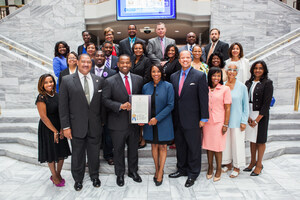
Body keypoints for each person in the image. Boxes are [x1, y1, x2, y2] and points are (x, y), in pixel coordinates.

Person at [59, 54, 105, 191]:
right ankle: (78, 179)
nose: (86, 64)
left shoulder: (99, 80)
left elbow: (102, 104)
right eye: (83, 62)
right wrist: (65, 126)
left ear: (91, 64)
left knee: (94, 153)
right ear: (77, 62)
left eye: (88, 62)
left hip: (95, 126)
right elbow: (63, 106)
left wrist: (102, 122)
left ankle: (94, 176)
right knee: (78, 155)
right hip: (75, 126)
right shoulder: (67, 80)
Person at [169, 50, 209, 187]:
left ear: (191, 59)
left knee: (193, 148)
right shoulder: (173, 76)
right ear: (179, 60)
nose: (185, 60)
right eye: (182, 58)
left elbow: (204, 99)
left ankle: (193, 173)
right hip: (177, 118)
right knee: (180, 146)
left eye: (187, 57)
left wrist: (204, 118)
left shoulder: (199, 76)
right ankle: (182, 169)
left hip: (193, 119)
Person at [103, 55, 144, 187]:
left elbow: (142, 99)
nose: (125, 65)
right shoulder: (109, 81)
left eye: (127, 63)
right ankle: (120, 174)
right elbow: (105, 100)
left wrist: (143, 116)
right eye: (122, 63)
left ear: (131, 64)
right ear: (118, 64)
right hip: (117, 122)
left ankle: (133, 172)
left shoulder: (139, 79)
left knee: (133, 149)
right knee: (119, 150)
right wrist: (120, 106)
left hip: (134, 122)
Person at [141, 65, 175, 186]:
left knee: (163, 147)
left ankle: (160, 172)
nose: (156, 74)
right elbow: (142, 104)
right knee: (154, 146)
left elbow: (171, 105)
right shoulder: (145, 87)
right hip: (150, 123)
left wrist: (157, 118)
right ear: (150, 73)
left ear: (162, 73)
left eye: (158, 71)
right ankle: (156, 168)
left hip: (163, 121)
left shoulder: (168, 86)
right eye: (153, 71)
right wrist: (142, 118)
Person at [36, 74, 71, 187]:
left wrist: (61, 128)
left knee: (61, 152)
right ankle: (54, 176)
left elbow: (63, 112)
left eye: (51, 81)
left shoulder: (58, 95)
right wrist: (54, 131)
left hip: (59, 126)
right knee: (51, 153)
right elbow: (44, 117)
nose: (49, 84)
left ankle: (58, 173)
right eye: (46, 82)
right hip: (48, 128)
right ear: (42, 84)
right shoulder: (41, 97)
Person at [243, 60, 273, 176]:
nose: (258, 70)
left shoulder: (267, 83)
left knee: (260, 140)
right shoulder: (248, 82)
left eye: (260, 68)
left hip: (261, 115)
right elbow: (245, 100)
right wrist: (248, 117)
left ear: (264, 70)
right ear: (252, 70)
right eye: (255, 68)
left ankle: (259, 164)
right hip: (249, 113)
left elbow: (266, 103)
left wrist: (257, 120)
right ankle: (252, 162)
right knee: (252, 139)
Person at [202, 67, 231, 182]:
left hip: (219, 122)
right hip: (207, 122)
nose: (216, 78)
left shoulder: (225, 89)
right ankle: (210, 167)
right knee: (209, 146)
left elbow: (228, 108)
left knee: (218, 147)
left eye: (218, 76)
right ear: (210, 76)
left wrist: (225, 124)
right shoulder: (205, 88)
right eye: (214, 75)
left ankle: (218, 169)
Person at [221, 63, 249, 178]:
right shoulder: (222, 85)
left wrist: (244, 121)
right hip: (225, 121)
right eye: (229, 69)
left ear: (237, 72)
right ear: (226, 71)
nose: (231, 72)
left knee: (237, 144)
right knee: (226, 144)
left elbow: (245, 106)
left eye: (234, 70)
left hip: (238, 121)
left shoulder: (242, 86)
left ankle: (237, 166)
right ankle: (228, 163)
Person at [91, 50, 116, 165]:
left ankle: (108, 155)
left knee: (108, 134)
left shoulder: (111, 72)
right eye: (97, 55)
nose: (100, 57)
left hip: (107, 109)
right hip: (92, 109)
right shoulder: (88, 71)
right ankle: (93, 157)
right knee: (93, 134)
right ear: (94, 58)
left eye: (102, 56)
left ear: (105, 59)